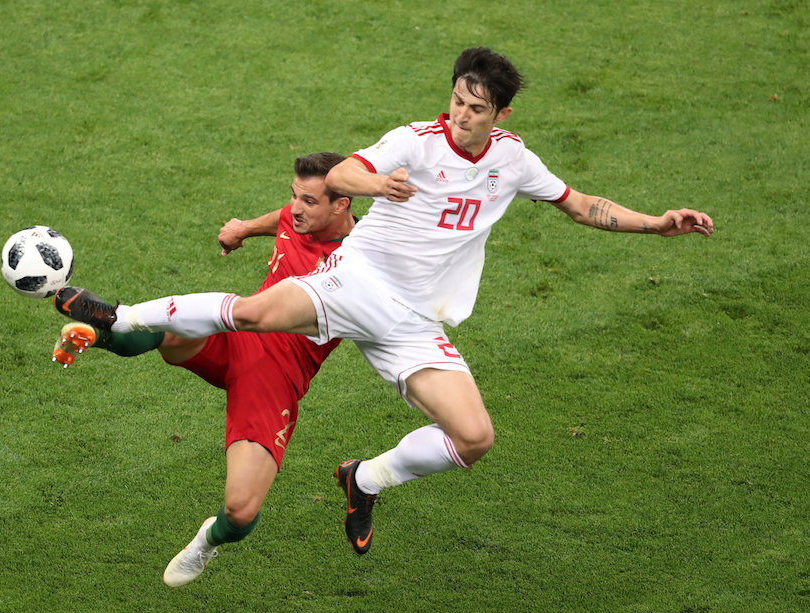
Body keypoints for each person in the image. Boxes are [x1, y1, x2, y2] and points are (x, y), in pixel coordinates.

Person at [62, 47, 714, 556]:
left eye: (476, 109)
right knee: (256, 314)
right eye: (457, 100)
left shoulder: (514, 162)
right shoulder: (416, 140)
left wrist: (656, 223)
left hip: (414, 322)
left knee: (475, 437)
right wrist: (380, 185)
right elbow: (343, 173)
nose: (461, 116)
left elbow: (580, 205)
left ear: (501, 116)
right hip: (357, 281)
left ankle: (364, 479)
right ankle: (123, 316)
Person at [53, 152, 355, 585]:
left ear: (342, 205)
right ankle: (98, 333)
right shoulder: (300, 217)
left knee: (240, 511)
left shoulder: (357, 261)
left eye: (308, 201)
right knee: (171, 333)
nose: (295, 209)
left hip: (275, 375)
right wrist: (245, 228)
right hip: (237, 334)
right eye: (294, 196)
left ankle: (206, 542)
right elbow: (284, 219)